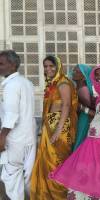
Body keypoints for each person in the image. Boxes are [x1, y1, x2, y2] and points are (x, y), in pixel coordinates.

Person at [49, 64, 100, 199]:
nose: (99, 77)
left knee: (99, 169)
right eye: (97, 74)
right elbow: (97, 113)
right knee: (89, 168)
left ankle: (97, 195)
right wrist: (81, 108)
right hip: (95, 135)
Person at [30, 55, 78, 199]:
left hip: (60, 127)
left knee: (57, 162)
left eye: (51, 66)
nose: (48, 69)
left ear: (58, 67)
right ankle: (47, 195)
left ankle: (59, 195)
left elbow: (67, 105)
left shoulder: (63, 83)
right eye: (45, 66)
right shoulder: (53, 83)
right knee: (48, 161)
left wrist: (58, 129)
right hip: (51, 124)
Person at [0, 50, 36, 200]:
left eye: (1, 63)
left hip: (14, 139)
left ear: (13, 65)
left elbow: (11, 115)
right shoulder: (26, 82)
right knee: (27, 178)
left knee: (12, 176)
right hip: (28, 137)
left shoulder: (11, 85)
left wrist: (2, 137)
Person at [70, 64, 94, 151]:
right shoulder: (79, 87)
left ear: (84, 77)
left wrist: (79, 107)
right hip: (80, 118)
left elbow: (89, 106)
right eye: (74, 71)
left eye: (77, 72)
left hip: (83, 119)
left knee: (79, 142)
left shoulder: (83, 89)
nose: (73, 73)